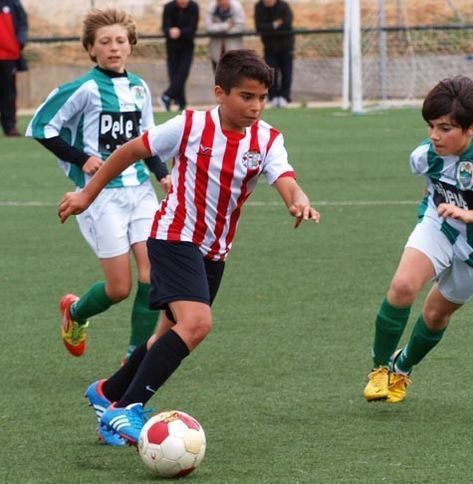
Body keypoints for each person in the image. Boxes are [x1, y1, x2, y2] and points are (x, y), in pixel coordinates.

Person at [58, 49, 320, 445]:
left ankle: (109, 392)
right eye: (246, 96)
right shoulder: (191, 126)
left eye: (262, 98)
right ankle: (125, 410)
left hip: (214, 252)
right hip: (172, 237)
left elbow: (284, 177)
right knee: (196, 325)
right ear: (220, 92)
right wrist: (87, 195)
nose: (255, 106)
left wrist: (297, 199)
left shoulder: (267, 140)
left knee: (166, 335)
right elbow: (131, 151)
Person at [362, 76, 473, 404]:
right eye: (431, 126)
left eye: (445, 128)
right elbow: (429, 183)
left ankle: (403, 366)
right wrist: (438, 211)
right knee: (402, 286)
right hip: (439, 226)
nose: (434, 136)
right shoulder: (425, 155)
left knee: (435, 315)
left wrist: (470, 215)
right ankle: (379, 368)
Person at [28, 7, 171, 367]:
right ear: (91, 49)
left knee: (152, 275)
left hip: (139, 191)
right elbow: (41, 126)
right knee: (119, 288)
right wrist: (81, 158)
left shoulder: (139, 88)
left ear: (131, 46)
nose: (113, 47)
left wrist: (161, 173)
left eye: (120, 41)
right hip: (100, 195)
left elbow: (145, 138)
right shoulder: (85, 88)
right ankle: (75, 312)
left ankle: (134, 356)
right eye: (104, 42)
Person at [160, 0, 199, 111]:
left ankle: (167, 95)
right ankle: (181, 102)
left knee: (183, 72)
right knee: (174, 74)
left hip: (187, 46)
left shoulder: (194, 7)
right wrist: (170, 31)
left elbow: (192, 28)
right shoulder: (169, 7)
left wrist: (180, 32)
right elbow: (165, 27)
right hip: (172, 46)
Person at [254, 0, 294, 107]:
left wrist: (270, 27)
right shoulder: (259, 7)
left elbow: (287, 23)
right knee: (270, 73)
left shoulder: (284, 6)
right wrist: (275, 24)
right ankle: (273, 97)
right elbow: (259, 27)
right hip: (269, 47)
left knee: (287, 73)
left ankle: (284, 97)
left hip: (286, 46)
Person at [0, 0, 28, 137]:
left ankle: (10, 126)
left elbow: (23, 21)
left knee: (9, 93)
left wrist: (20, 41)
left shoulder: (12, 2)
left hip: (8, 57)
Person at [205, 0, 245, 72]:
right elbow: (208, 28)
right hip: (217, 49)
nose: (222, 2)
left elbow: (240, 27)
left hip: (233, 49)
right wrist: (226, 26)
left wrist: (218, 29)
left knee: (234, 77)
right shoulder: (211, 8)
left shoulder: (236, 7)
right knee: (218, 75)